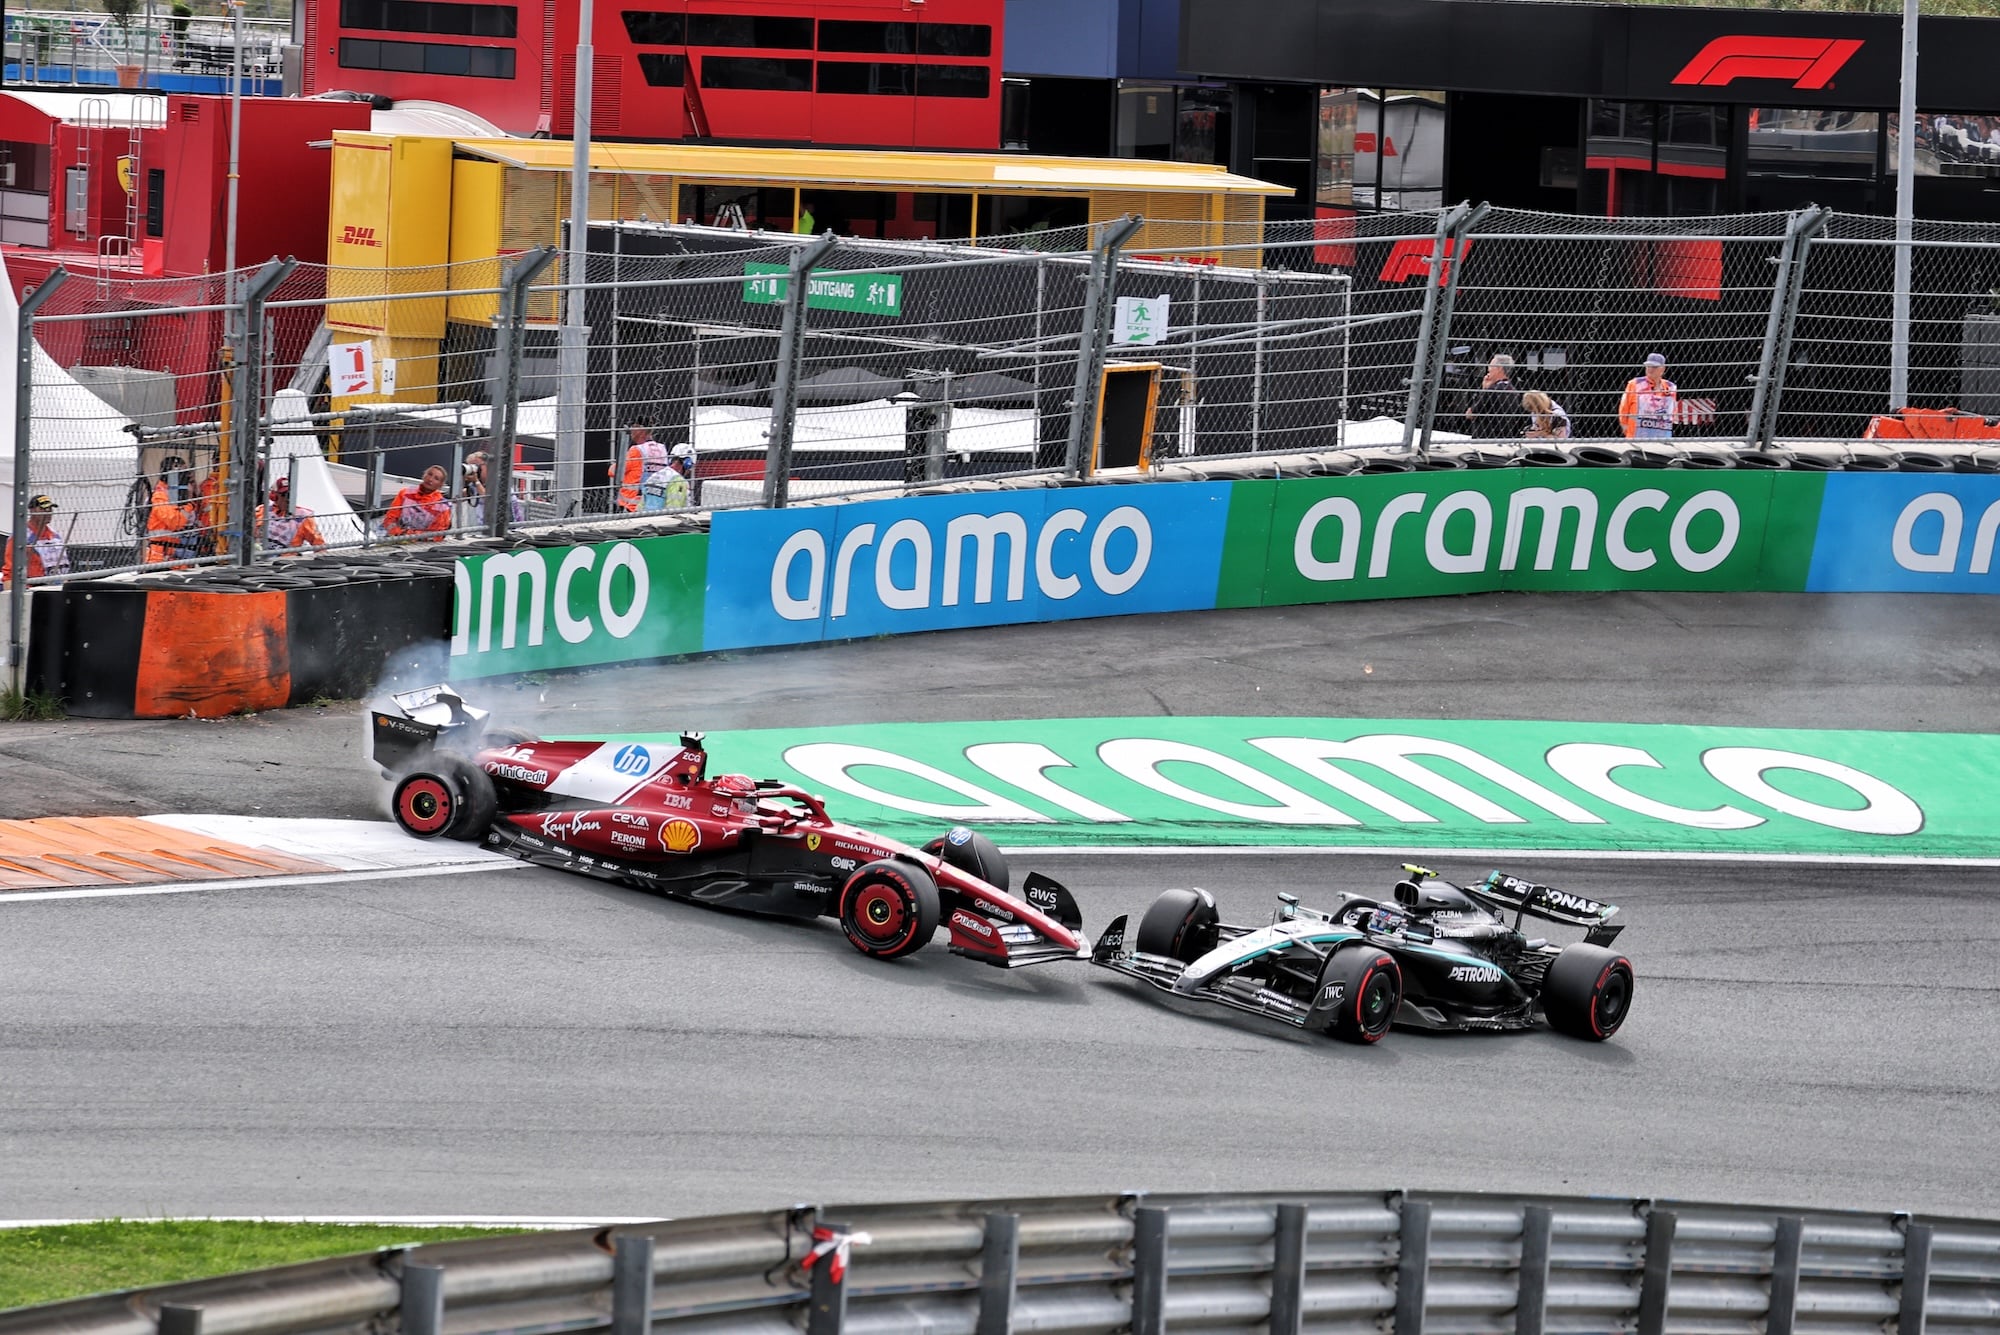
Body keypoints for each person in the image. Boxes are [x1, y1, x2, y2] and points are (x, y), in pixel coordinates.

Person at [2, 494, 70, 587]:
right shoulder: (20, 536)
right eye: (43, 509)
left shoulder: (54, 536)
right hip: (31, 587)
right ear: (32, 510)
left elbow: (63, 566)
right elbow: (9, 571)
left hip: (54, 586)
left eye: (50, 509)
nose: (48, 512)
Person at [145, 456, 199, 565]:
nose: (186, 476)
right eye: (182, 472)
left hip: (178, 555)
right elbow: (175, 522)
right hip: (161, 559)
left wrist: (194, 492)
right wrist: (189, 503)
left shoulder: (177, 493)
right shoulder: (160, 495)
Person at [383, 464, 453, 541]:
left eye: (436, 478)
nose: (430, 479)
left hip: (424, 544)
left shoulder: (443, 506)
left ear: (440, 485)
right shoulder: (404, 493)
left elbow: (438, 534)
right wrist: (397, 533)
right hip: (397, 538)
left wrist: (412, 536)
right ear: (424, 475)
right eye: (429, 474)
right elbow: (390, 518)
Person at [1618, 353, 1677, 440]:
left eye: (1654, 367)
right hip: (1636, 434)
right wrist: (1625, 426)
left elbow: (1673, 411)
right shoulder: (1635, 384)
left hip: (1661, 434)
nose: (1650, 369)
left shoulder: (1670, 387)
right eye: (1648, 366)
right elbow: (1624, 407)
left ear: (1663, 369)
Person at [256, 478, 326, 551]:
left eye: (290, 494)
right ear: (274, 496)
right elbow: (248, 533)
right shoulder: (262, 510)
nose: (288, 498)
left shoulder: (303, 516)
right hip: (259, 555)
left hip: (288, 557)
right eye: (284, 495)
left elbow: (318, 544)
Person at [1463, 354, 1521, 438]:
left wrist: (1484, 390)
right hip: (1503, 438)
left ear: (1499, 369)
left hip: (1484, 438)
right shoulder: (1514, 392)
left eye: (1491, 366)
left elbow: (1470, 413)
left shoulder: (1492, 390)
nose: (1488, 369)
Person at [616, 425, 670, 514]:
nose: (631, 430)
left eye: (634, 427)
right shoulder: (662, 449)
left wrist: (615, 464)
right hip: (655, 502)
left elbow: (615, 471)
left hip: (631, 505)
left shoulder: (636, 450)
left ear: (642, 431)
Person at [463, 450, 524, 526]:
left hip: (508, 525)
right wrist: (463, 479)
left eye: (476, 466)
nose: (474, 470)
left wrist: (476, 482)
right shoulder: (475, 484)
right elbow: (459, 497)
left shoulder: (499, 481)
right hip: (485, 526)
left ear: (488, 465)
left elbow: (489, 499)